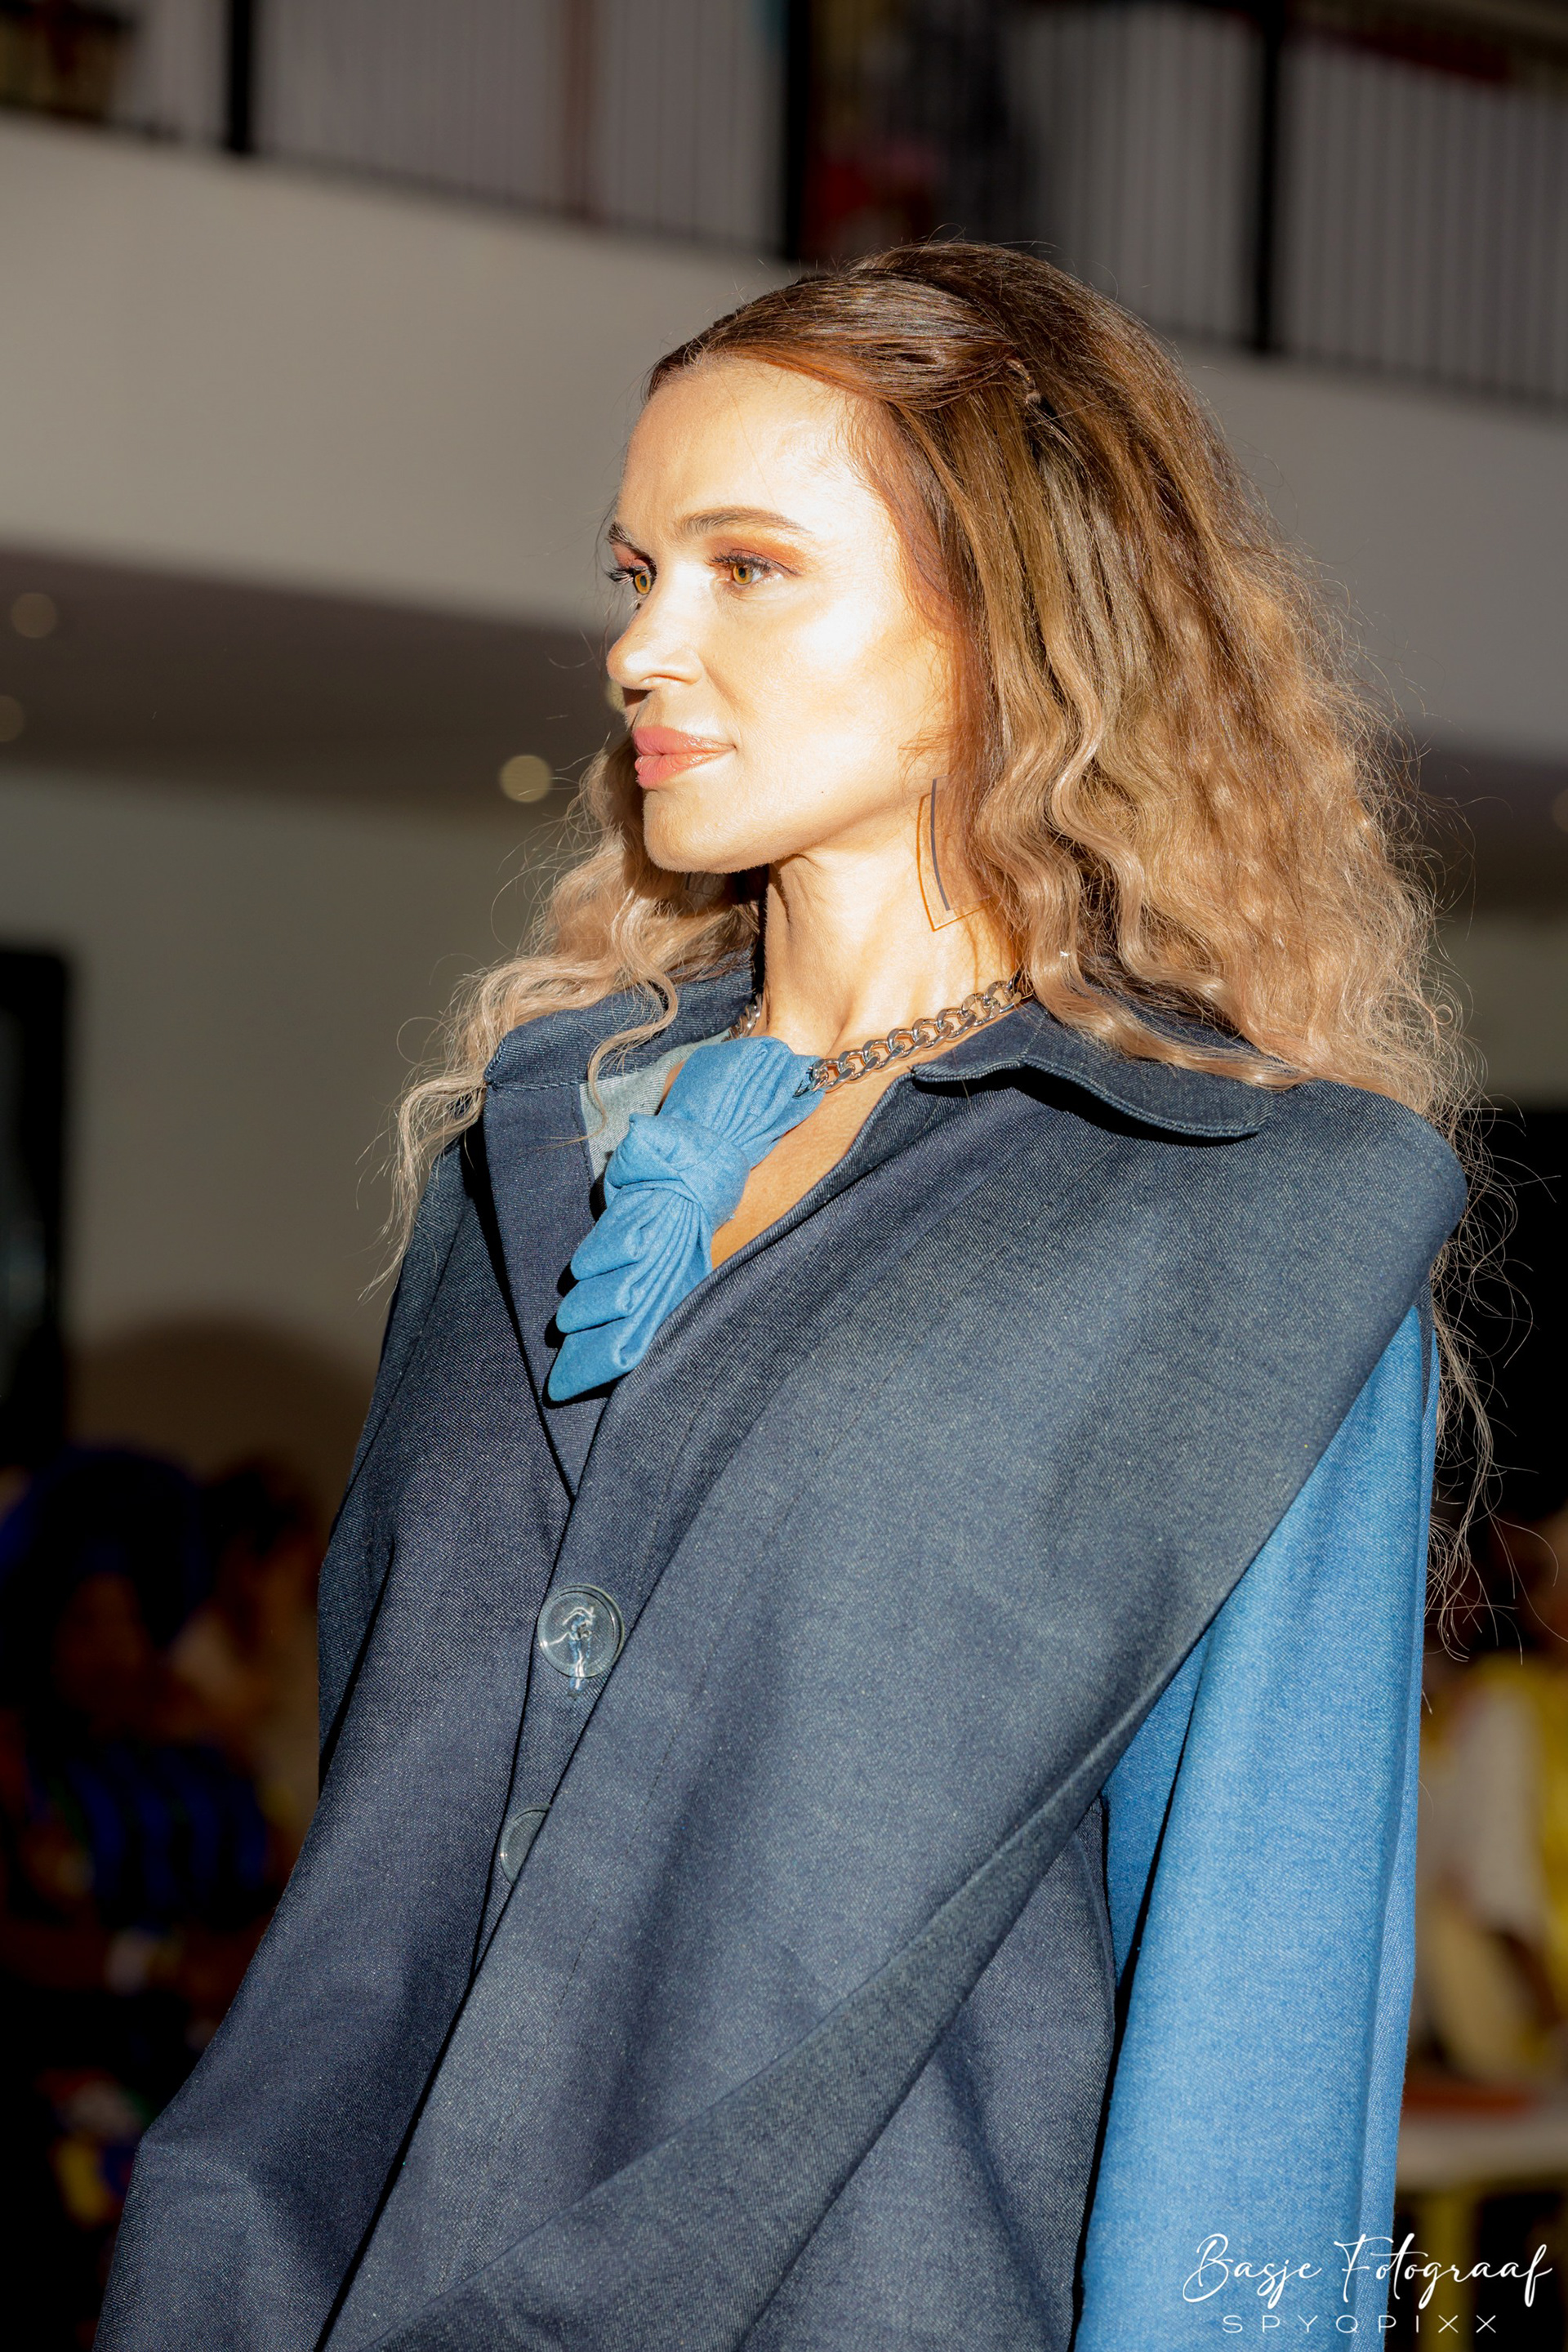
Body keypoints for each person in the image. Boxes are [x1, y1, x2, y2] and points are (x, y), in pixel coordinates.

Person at [101, 245, 1468, 2351]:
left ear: (1012, 617)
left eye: (748, 568)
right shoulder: (524, 1162)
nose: (642, 645)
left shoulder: (1253, 1215)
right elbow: (370, 1891)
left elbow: (1257, 2042)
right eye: (636, 570)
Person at [0, 1452, 280, 2346]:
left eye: (128, 1621)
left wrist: (243, 1961)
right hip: (64, 2089)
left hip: (214, 2071)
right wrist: (151, 1964)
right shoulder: (18, 1763)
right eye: (85, 1622)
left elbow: (276, 1879)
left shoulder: (199, 1751)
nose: (112, 1648)